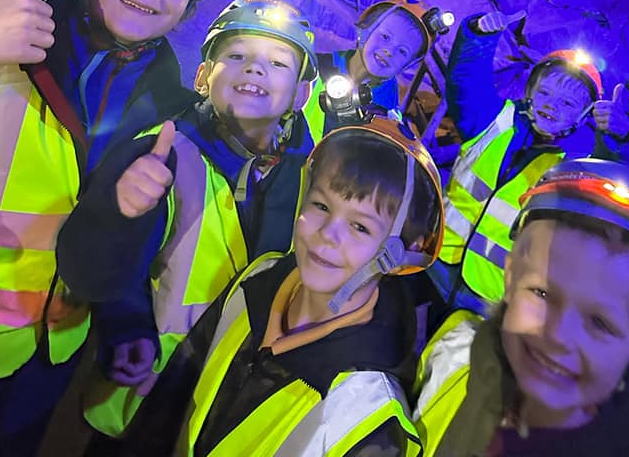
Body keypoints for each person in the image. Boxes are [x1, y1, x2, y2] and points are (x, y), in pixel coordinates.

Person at [0, 0, 222, 456]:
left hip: (44, 357)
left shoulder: (169, 112)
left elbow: (115, 247)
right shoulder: (10, 16)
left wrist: (126, 326)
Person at [68, 115, 445, 456]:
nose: (327, 234)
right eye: (321, 206)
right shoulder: (258, 280)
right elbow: (169, 404)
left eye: (360, 226)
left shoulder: (369, 419)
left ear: (400, 254)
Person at [56, 0, 319, 441]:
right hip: (143, 392)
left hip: (228, 406)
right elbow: (110, 274)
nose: (254, 69)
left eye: (278, 62)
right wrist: (126, 327)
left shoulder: (313, 183)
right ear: (203, 77)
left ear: (301, 94)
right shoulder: (162, 154)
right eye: (236, 56)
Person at [414, 158, 629, 457]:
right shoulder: (453, 355)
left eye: (600, 321)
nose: (557, 335)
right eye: (543, 293)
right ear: (510, 276)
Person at [428, 11, 629, 319]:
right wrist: (478, 36)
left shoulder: (577, 167)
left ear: (585, 116)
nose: (550, 106)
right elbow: (465, 82)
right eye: (544, 93)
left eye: (568, 104)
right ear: (529, 91)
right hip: (430, 258)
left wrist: (625, 137)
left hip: (488, 298)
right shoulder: (496, 120)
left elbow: (618, 185)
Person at [303, 0, 452, 139]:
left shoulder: (388, 120)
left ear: (407, 65)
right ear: (367, 28)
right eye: (386, 37)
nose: (389, 51)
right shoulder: (311, 69)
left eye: (402, 51)